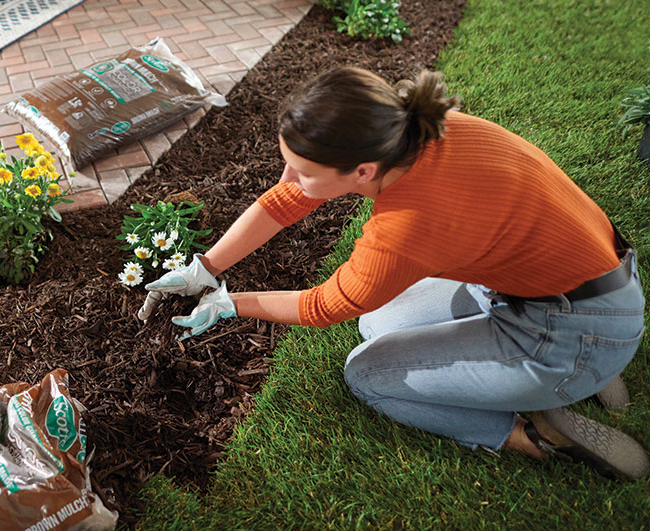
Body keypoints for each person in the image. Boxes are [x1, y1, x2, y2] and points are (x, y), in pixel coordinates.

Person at [146, 67, 649, 481]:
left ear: (363, 171)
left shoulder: (406, 228)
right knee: (379, 323)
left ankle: (536, 430)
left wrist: (229, 302)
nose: (289, 179)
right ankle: (586, 366)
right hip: (588, 278)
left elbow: (325, 307)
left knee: (367, 374)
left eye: (300, 168)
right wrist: (204, 267)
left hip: (569, 329)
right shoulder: (424, 130)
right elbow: (288, 200)